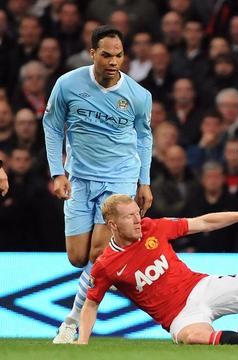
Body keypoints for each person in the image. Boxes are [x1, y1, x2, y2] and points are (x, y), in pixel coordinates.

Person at [43, 25, 154, 343]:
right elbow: (52, 126)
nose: (113, 61)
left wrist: (143, 182)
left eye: (119, 55)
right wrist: (57, 173)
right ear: (92, 53)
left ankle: (70, 323)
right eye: (106, 54)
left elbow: (145, 137)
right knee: (77, 257)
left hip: (119, 177)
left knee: (98, 253)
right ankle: (127, 269)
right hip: (78, 176)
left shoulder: (138, 95)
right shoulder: (67, 84)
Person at [77, 194, 238, 345]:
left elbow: (203, 223)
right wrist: (82, 343)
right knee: (194, 337)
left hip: (201, 287)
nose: (137, 220)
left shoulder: (152, 227)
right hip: (178, 316)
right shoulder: (106, 265)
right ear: (113, 225)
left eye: (137, 213)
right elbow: (91, 304)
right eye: (129, 216)